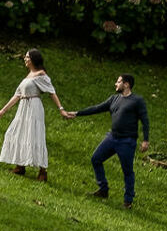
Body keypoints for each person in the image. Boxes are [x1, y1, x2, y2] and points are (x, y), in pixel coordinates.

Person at [64, 73, 150, 207]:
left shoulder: (137, 101)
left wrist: (145, 140)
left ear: (126, 84)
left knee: (127, 171)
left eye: (118, 82)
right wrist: (77, 113)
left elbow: (145, 120)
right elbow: (97, 108)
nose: (116, 84)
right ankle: (103, 189)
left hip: (127, 141)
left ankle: (128, 200)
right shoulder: (114, 99)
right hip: (112, 138)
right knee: (96, 159)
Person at [0, 49, 66, 181]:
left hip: (34, 107)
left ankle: (42, 171)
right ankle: (20, 165)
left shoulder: (41, 74)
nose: (25, 59)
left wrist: (61, 109)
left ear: (33, 59)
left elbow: (52, 92)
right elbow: (17, 95)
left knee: (34, 135)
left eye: (27, 57)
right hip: (23, 108)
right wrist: (3, 110)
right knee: (17, 132)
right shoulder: (28, 75)